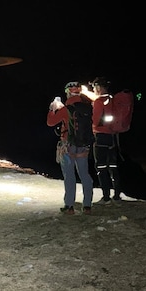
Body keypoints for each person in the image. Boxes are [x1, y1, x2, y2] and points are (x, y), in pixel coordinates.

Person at [46, 81, 94, 215]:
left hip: (68, 145)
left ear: (68, 92)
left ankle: (69, 206)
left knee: (69, 176)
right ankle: (87, 206)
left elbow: (50, 122)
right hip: (83, 146)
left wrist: (52, 109)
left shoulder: (66, 108)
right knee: (85, 175)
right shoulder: (88, 106)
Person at [89, 77, 122, 205]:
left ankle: (106, 197)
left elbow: (95, 120)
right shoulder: (113, 100)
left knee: (101, 167)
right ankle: (117, 195)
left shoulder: (99, 102)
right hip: (113, 137)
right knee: (113, 166)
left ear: (99, 87)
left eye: (94, 88)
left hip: (101, 136)